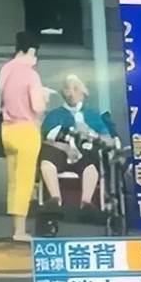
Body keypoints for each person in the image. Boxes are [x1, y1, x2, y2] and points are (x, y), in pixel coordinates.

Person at [0, 31, 51, 242]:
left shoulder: (5, 69)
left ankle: (15, 227)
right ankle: (20, 231)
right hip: (26, 131)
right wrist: (44, 98)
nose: (35, 58)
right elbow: (37, 107)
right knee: (25, 181)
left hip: (6, 130)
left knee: (13, 182)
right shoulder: (31, 75)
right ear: (30, 50)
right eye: (35, 53)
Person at [39, 74, 112, 217]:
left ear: (83, 92)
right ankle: (55, 200)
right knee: (46, 160)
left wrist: (91, 133)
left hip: (84, 153)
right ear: (63, 92)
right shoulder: (54, 115)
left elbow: (108, 140)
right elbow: (44, 139)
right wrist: (65, 148)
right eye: (68, 89)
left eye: (75, 88)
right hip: (59, 151)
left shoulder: (92, 115)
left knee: (91, 165)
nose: (71, 93)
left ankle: (86, 203)